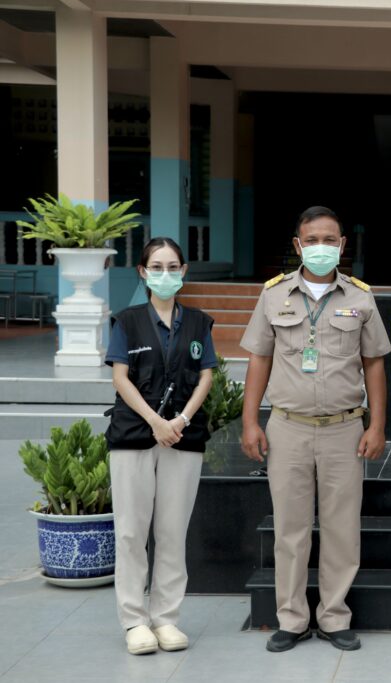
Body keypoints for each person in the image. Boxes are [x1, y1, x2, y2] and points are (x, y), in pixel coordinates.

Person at [239, 206, 391, 653]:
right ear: (298, 245)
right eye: (312, 240)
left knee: (342, 528)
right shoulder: (273, 295)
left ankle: (334, 616)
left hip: (344, 429)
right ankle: (291, 618)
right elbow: (259, 359)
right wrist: (250, 421)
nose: (321, 247)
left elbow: (374, 364)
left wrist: (377, 424)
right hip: (288, 427)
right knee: (291, 529)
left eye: (329, 240)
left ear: (342, 245)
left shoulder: (361, 297)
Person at [105, 237, 217, 655]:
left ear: (183, 271)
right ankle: (135, 620)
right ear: (143, 272)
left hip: (182, 438)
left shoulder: (199, 323)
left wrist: (180, 420)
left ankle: (166, 618)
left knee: (172, 532)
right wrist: (155, 422)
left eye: (172, 267)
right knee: (131, 532)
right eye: (156, 267)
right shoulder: (127, 321)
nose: (165, 274)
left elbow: (206, 375)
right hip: (134, 436)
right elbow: (120, 378)